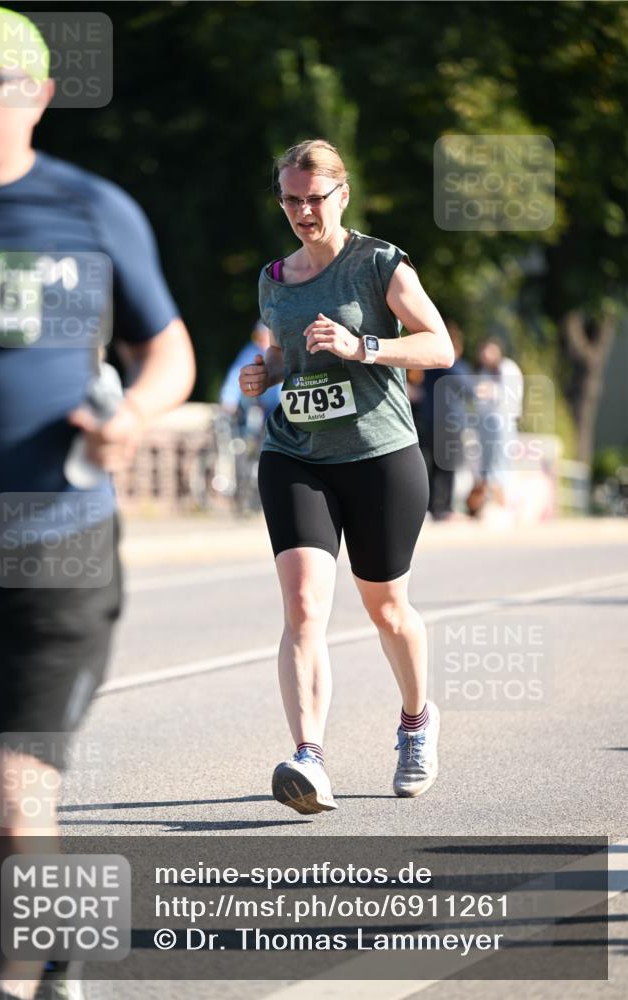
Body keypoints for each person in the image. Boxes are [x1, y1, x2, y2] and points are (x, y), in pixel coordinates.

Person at [0, 6, 196, 998]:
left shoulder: (90, 209)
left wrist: (131, 414)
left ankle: (10, 979)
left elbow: (168, 352)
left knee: (12, 791)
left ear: (40, 96)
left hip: (52, 547)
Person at [240, 139, 453, 815]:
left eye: (315, 198)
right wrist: (265, 373)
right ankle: (308, 758)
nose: (303, 211)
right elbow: (287, 357)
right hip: (295, 453)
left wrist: (364, 345)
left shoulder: (378, 263)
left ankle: (416, 721)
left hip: (379, 456)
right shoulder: (274, 278)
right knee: (303, 605)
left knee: (385, 608)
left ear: (342, 194)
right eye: (291, 200)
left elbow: (439, 346)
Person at [421, 320, 474, 519]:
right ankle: (443, 508)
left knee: (432, 466)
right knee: (446, 466)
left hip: (430, 420)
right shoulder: (451, 364)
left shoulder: (428, 363)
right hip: (449, 423)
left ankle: (432, 507)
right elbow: (468, 388)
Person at [470, 337, 524, 512]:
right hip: (486, 422)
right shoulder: (484, 371)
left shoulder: (507, 368)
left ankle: (503, 505)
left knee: (500, 463)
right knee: (487, 465)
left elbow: (510, 395)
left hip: (503, 422)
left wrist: (491, 391)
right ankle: (490, 504)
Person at [219, 319, 281, 424]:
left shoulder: (285, 352)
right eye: (257, 337)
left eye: (263, 336)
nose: (259, 341)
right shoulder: (251, 351)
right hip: (259, 408)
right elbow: (235, 376)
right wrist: (228, 402)